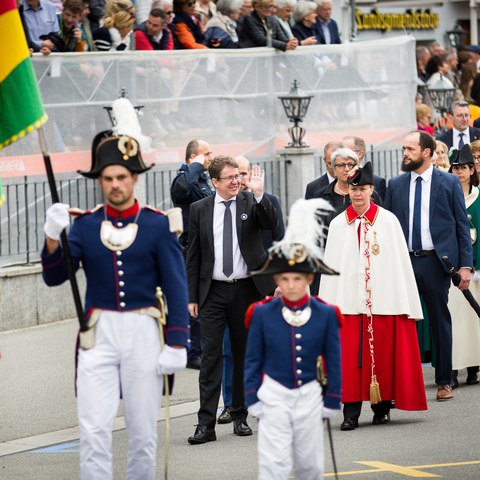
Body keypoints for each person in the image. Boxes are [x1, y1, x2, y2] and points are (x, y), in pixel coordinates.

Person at [41, 129, 190, 478]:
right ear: (100, 181)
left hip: (143, 331)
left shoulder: (157, 224)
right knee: (93, 430)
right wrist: (52, 237)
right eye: (107, 178)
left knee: (142, 433)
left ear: (134, 177)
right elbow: (54, 277)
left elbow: (176, 286)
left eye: (121, 177)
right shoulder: (85, 226)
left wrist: (178, 341)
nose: (114, 184)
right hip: (98, 334)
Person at [319, 162, 427, 431]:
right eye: (354, 189)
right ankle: (351, 412)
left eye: (363, 189)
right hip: (348, 304)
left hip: (384, 301)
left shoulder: (388, 221)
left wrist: (405, 300)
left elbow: (400, 265)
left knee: (384, 353)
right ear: (348, 192)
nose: (358, 194)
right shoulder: (337, 225)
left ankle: (381, 408)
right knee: (351, 360)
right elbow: (330, 269)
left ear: (371, 191)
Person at [244, 198, 341, 479]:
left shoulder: (325, 314)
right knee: (274, 466)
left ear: (309, 279)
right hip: (273, 395)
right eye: (284, 279)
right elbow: (252, 360)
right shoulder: (262, 313)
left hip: (310, 395)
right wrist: (253, 398)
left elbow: (333, 359)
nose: (290, 285)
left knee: (310, 466)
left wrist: (332, 398)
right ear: (276, 280)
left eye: (297, 279)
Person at [186, 156, 278, 444]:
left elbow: (271, 222)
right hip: (212, 292)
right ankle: (205, 424)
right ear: (215, 182)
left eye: (238, 176)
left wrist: (260, 193)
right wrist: (192, 296)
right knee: (211, 357)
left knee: (241, 354)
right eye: (230, 178)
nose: (237, 181)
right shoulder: (199, 209)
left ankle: (239, 416)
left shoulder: (250, 202)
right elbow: (193, 255)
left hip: (246, 289)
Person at [384, 130, 473, 402]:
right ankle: (401, 385)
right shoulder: (396, 184)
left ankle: (445, 380)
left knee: (439, 320)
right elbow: (387, 227)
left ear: (426, 152)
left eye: (410, 149)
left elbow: (461, 225)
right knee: (401, 322)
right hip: (404, 262)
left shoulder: (448, 182)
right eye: (404, 149)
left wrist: (465, 266)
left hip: (436, 263)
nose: (405, 154)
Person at [218, 155, 285, 424]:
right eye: (236, 175)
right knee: (228, 349)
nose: (241, 180)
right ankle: (231, 404)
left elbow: (279, 239)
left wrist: (280, 281)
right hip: (230, 287)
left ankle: (263, 399)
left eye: (244, 174)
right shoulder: (220, 206)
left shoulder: (265, 202)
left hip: (262, 286)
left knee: (264, 346)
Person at [170, 139, 214, 370]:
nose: (210, 157)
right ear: (193, 157)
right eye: (206, 154)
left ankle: (201, 348)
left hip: (206, 248)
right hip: (189, 250)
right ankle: (192, 352)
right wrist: (194, 166)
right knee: (193, 302)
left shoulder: (203, 179)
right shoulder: (184, 178)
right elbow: (182, 190)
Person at [447, 145, 480, 389]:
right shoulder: (446, 194)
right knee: (455, 318)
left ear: (471, 170)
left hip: (477, 266)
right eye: (456, 168)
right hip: (454, 268)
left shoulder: (478, 196)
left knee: (474, 319)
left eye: (464, 168)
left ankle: (474, 367)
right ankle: (452, 367)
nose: (460, 173)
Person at [342, 135, 387, 201]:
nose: (342, 155)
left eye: (347, 152)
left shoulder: (377, 182)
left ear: (360, 154)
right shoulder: (336, 182)